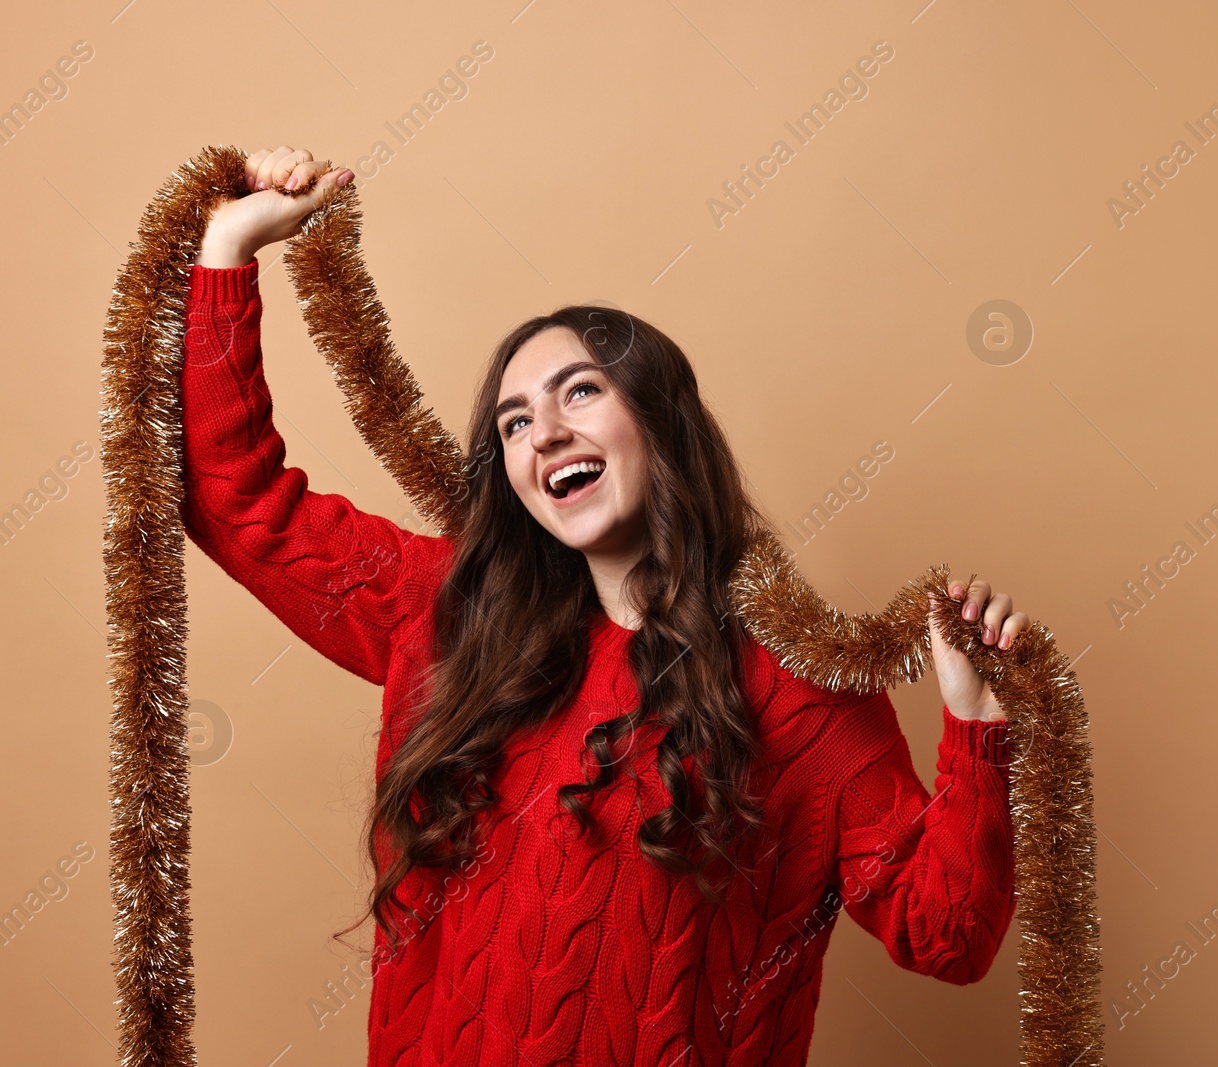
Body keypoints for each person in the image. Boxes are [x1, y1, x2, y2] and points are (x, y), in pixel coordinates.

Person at [184, 145, 1027, 1067]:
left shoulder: (801, 685)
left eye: (580, 391)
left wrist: (976, 724)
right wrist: (230, 249)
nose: (544, 432)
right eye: (512, 422)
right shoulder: (449, 612)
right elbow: (238, 502)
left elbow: (946, 933)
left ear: (661, 420)